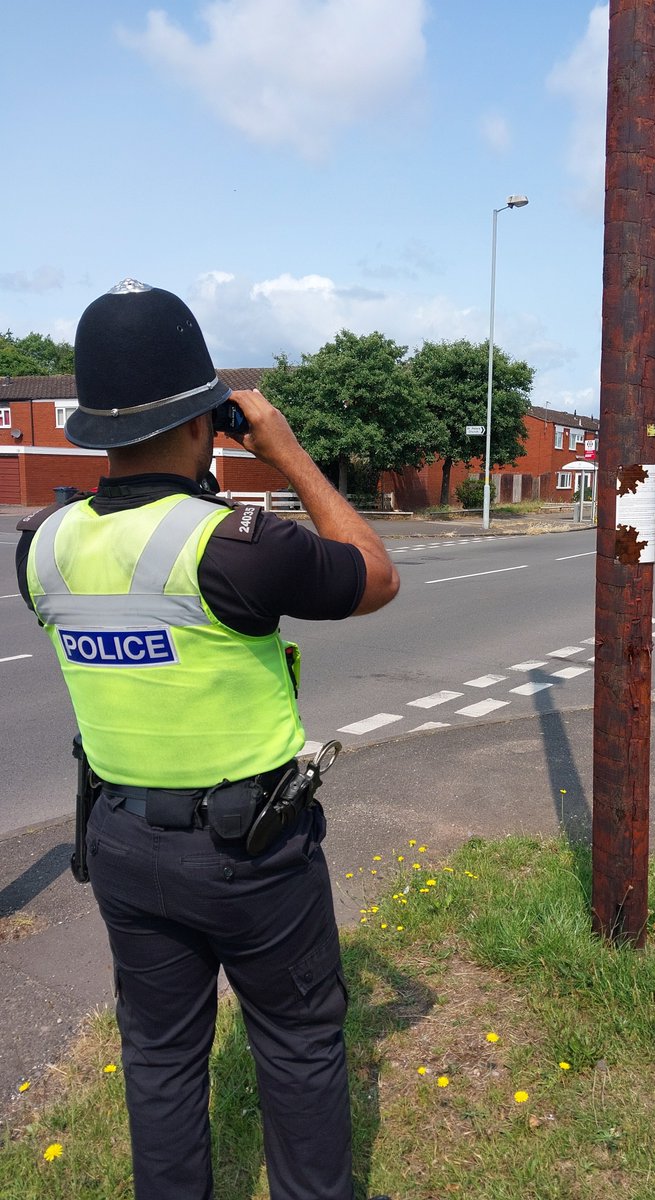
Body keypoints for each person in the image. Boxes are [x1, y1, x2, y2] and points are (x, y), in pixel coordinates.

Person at [16, 279, 400, 1200]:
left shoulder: (42, 545)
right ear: (203, 419)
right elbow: (376, 574)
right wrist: (286, 448)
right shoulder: (237, 546)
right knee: (300, 1046)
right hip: (253, 854)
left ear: (97, 430)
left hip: (119, 846)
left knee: (158, 1057)